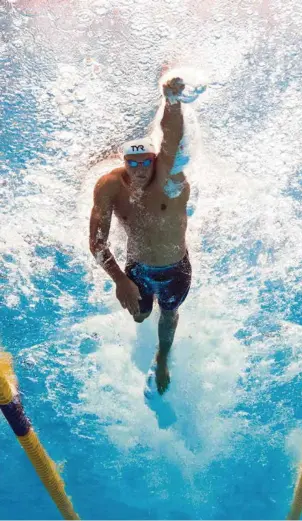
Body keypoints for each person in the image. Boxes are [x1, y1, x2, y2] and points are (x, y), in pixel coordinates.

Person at [89, 77, 194, 396]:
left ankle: (162, 357)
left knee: (169, 314)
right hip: (137, 269)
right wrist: (120, 279)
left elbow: (172, 135)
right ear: (123, 163)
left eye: (145, 162)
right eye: (131, 162)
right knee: (139, 316)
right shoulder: (109, 186)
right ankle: (142, 306)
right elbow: (96, 243)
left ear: (154, 160)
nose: (139, 169)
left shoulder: (167, 174)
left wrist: (172, 100)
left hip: (176, 268)